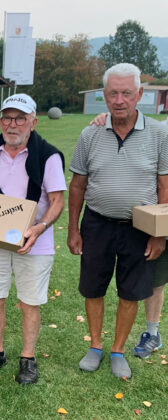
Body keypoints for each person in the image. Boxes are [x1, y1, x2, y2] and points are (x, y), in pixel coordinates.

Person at [68, 63, 168, 379]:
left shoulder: (158, 134)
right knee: (93, 288)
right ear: (105, 96)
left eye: (126, 93)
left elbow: (165, 185)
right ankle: (96, 346)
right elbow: (78, 185)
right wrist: (73, 228)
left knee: (130, 292)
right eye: (113, 93)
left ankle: (118, 350)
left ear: (139, 94)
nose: (120, 100)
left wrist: (160, 233)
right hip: (97, 224)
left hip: (140, 228)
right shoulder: (90, 133)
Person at [0, 93, 65, 384]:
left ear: (33, 122)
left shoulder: (48, 155)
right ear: (1, 121)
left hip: (35, 241)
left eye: (21, 118)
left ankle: (27, 358)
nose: (13, 124)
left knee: (30, 301)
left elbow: (57, 200)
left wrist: (38, 229)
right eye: (8, 118)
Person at [88, 113, 167, 359]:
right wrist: (108, 116)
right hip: (157, 214)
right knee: (154, 275)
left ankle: (152, 332)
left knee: (156, 277)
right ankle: (152, 332)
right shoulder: (162, 130)